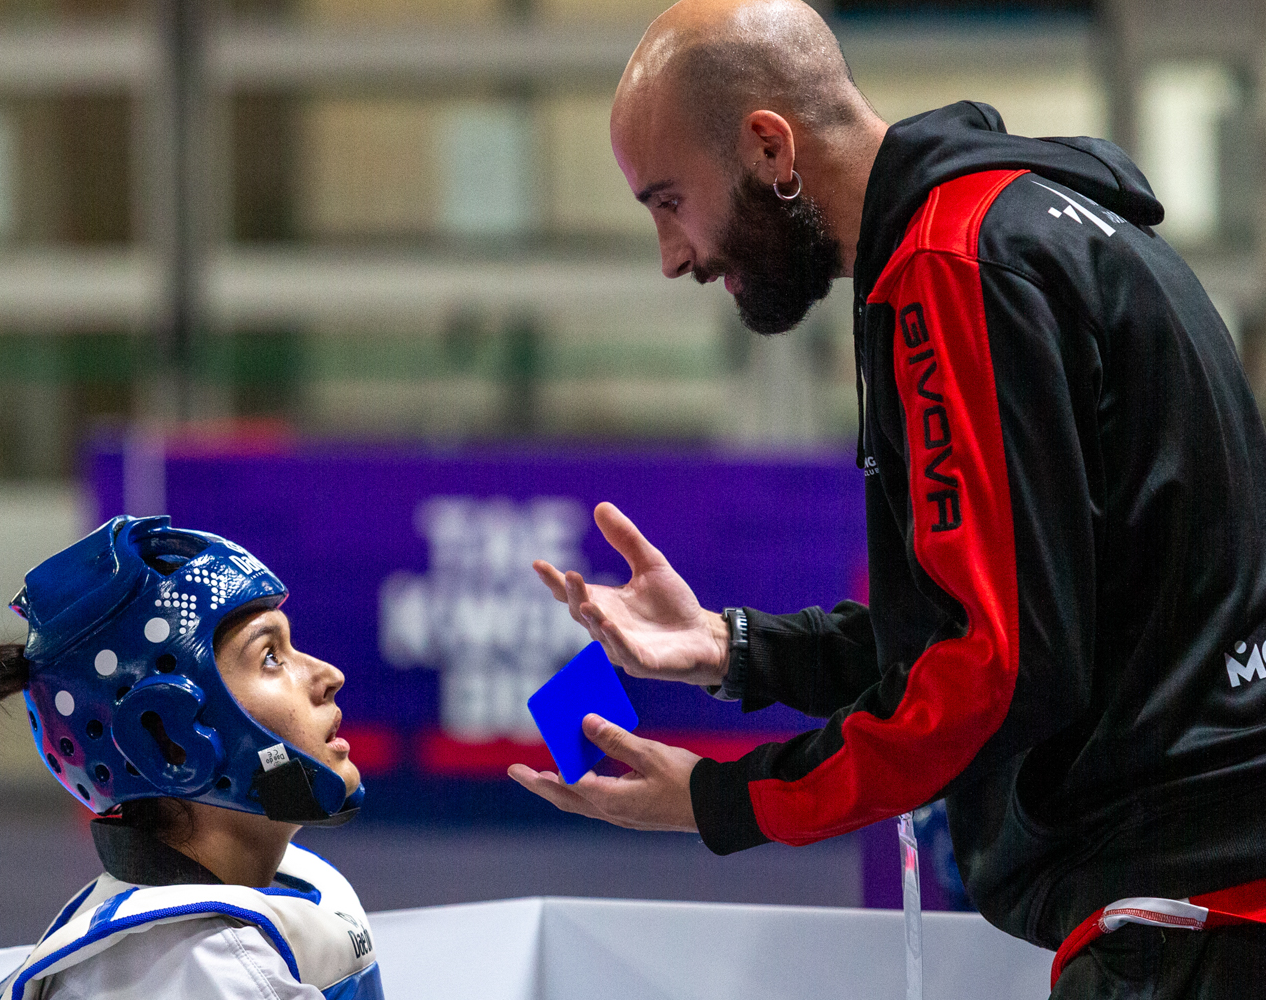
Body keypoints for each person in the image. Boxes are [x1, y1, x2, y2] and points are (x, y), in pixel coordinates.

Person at [507, 0, 1266, 995]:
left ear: (770, 147)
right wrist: (733, 648)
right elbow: (1021, 621)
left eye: (670, 201)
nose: (674, 255)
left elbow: (989, 672)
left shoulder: (952, 266)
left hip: (1186, 918)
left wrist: (723, 799)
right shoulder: (1030, 224)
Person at [0, 516, 382, 1000]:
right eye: (270, 657)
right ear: (172, 744)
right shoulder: (207, 974)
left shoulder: (289, 884)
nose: (330, 675)